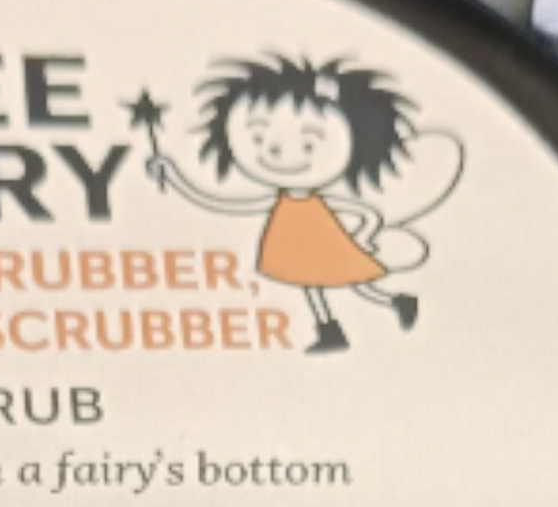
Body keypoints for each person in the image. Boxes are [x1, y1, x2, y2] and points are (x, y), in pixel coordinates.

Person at [146, 55, 464, 354]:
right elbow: (222, 203)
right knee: (318, 284)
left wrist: (364, 235)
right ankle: (337, 327)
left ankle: (392, 302)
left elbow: (365, 213)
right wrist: (175, 177)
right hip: (299, 245)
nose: (278, 155)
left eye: (310, 144)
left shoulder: (312, 200)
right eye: (258, 138)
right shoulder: (282, 199)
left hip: (324, 239)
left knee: (352, 281)